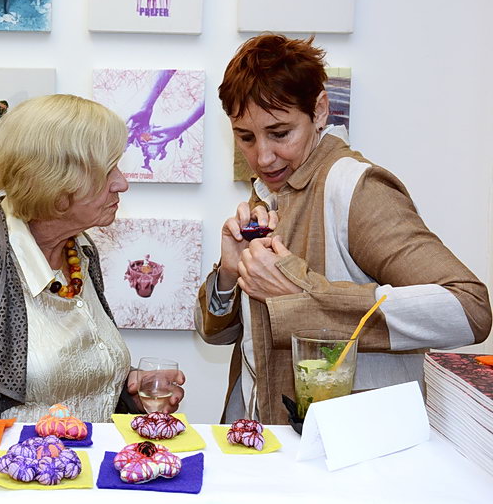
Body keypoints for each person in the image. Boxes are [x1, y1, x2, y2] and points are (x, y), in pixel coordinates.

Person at [196, 34, 492, 425]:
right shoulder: (266, 194)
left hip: (352, 445)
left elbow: (470, 308)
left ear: (319, 111)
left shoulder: (355, 189)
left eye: (280, 133)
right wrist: (228, 275)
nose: (263, 157)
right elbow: (217, 336)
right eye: (245, 137)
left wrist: (302, 294)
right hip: (264, 439)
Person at [0, 94, 185, 423]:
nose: (122, 183)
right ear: (56, 182)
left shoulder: (80, 249)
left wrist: (127, 389)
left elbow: (68, 378)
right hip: (7, 459)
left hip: (87, 457)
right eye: (107, 170)